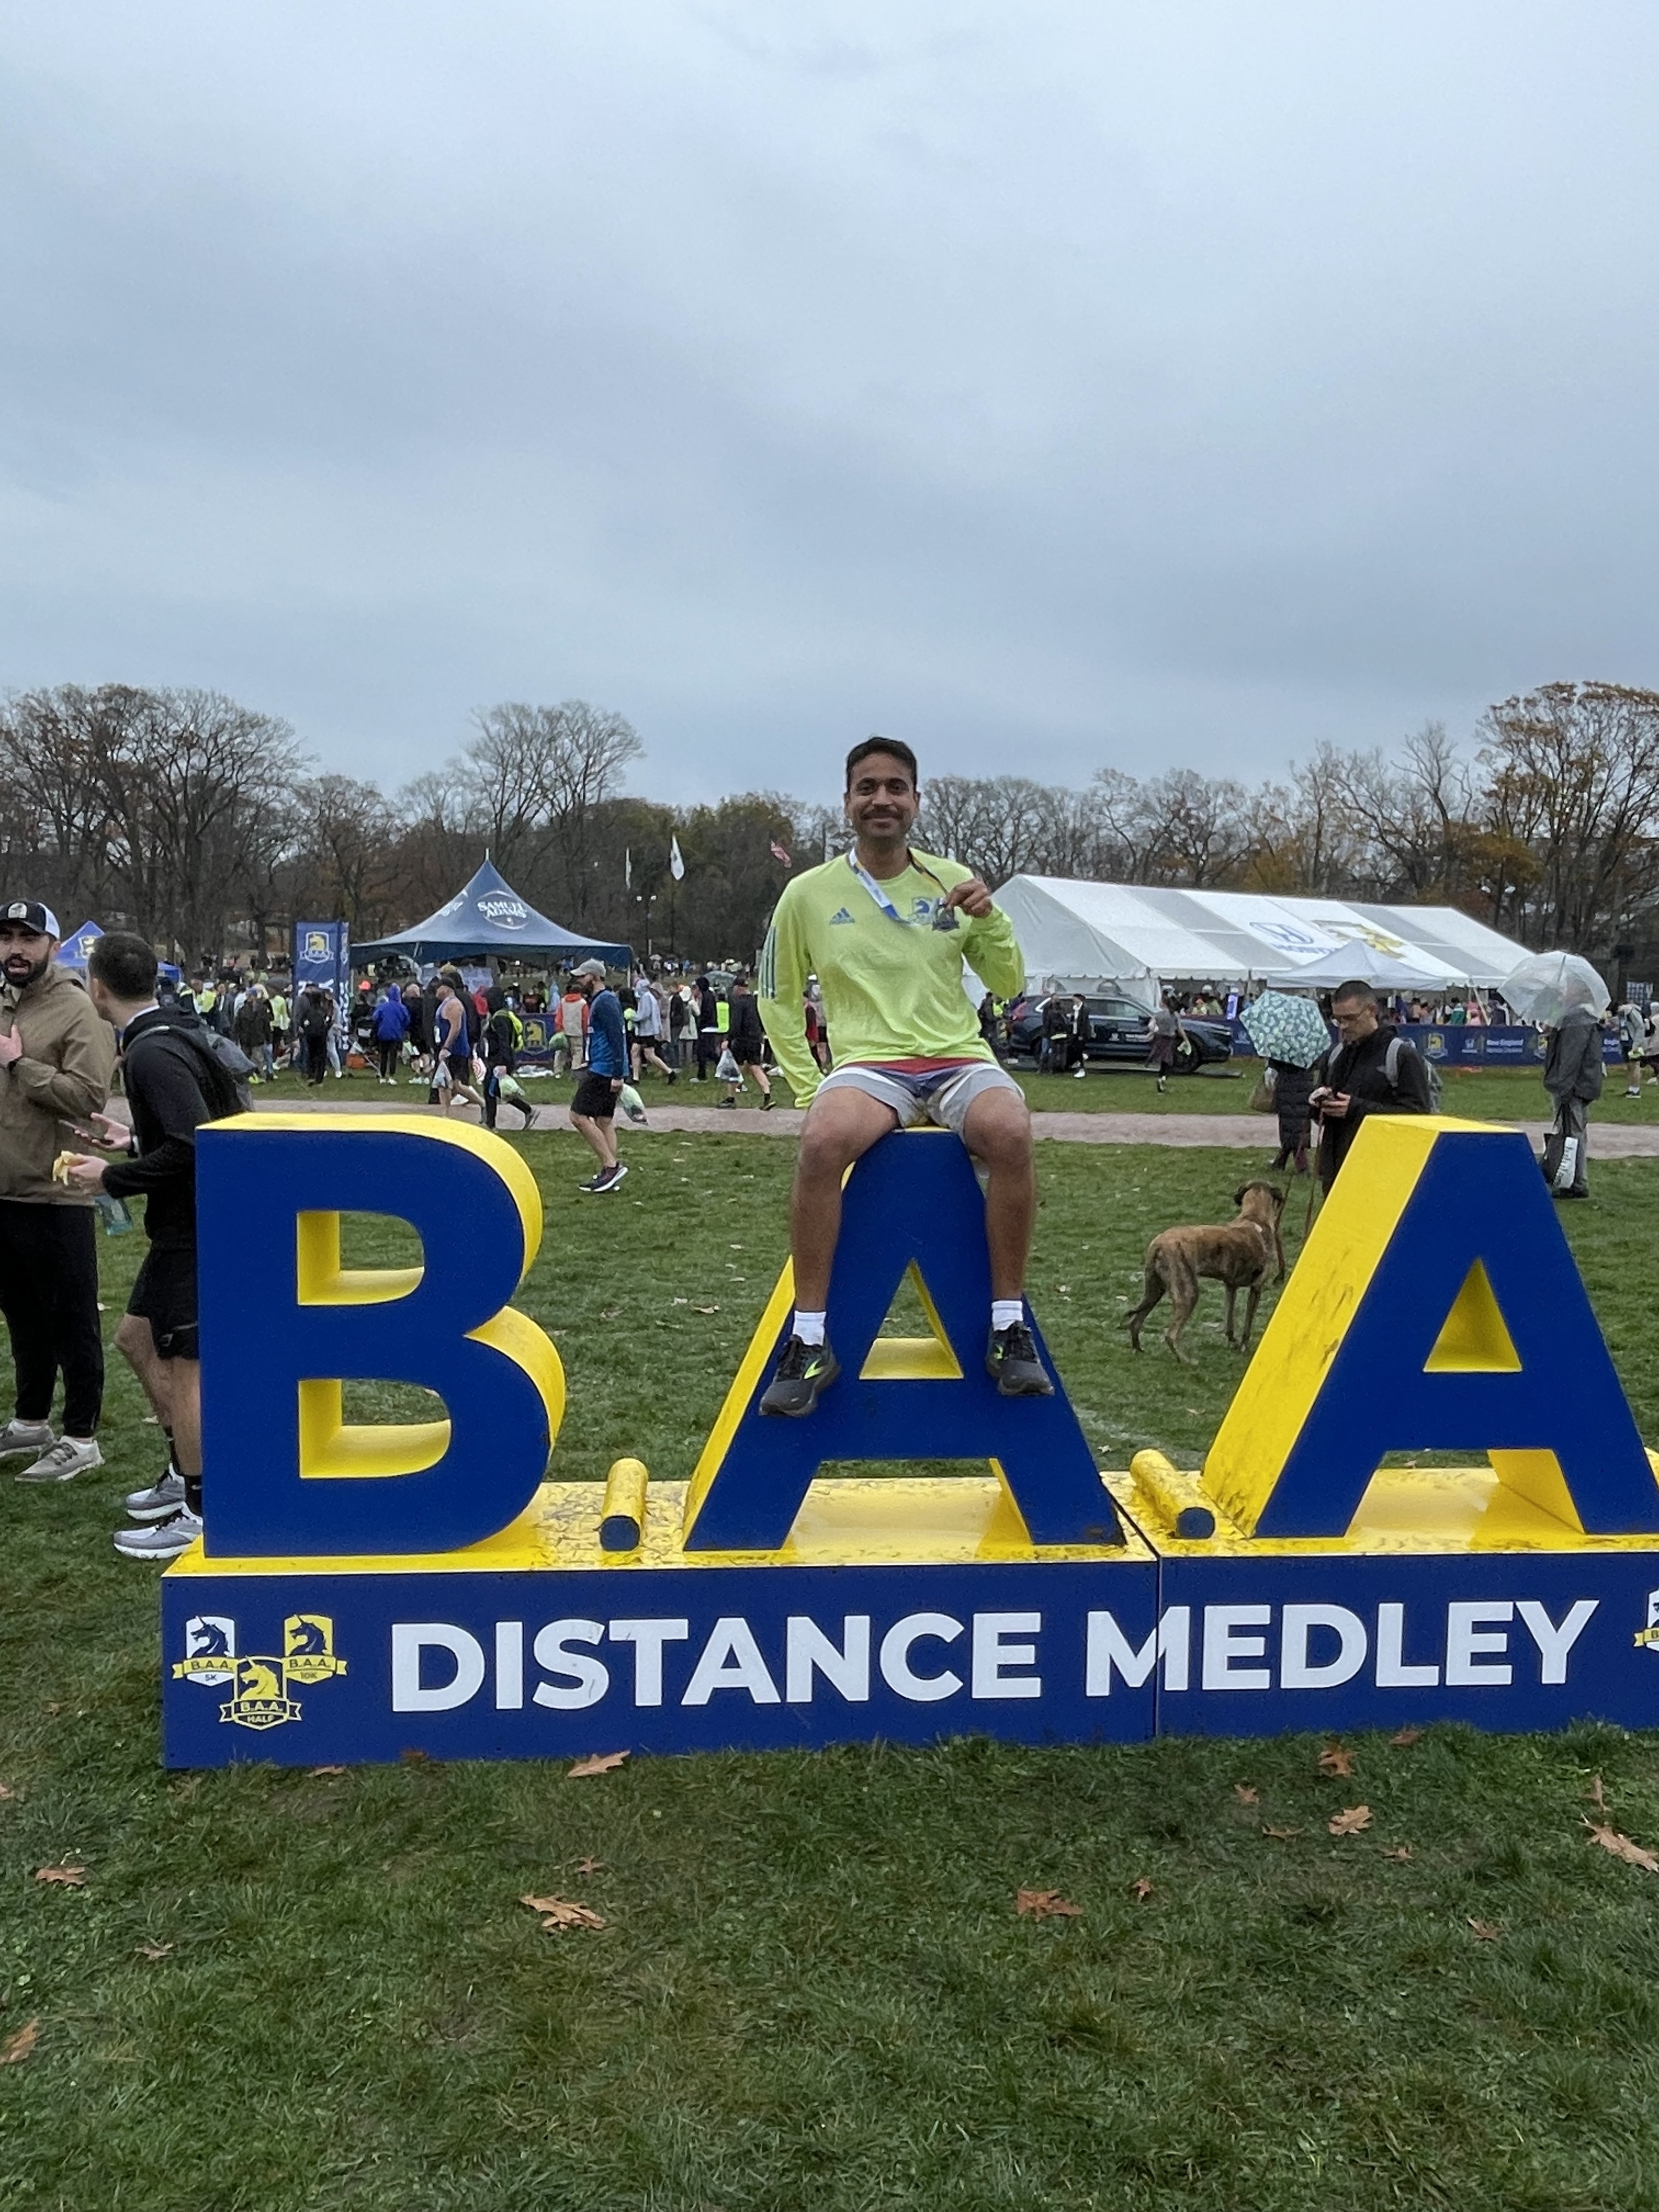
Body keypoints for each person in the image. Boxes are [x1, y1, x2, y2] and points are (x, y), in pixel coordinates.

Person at [754, 735, 1050, 1416]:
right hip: (869, 1066)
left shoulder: (953, 879)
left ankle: (1008, 1326)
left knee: (1010, 1130)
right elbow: (776, 992)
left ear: (916, 801)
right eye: (868, 788)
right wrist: (808, 1085)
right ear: (848, 803)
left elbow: (1008, 984)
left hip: (957, 1057)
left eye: (895, 787)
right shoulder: (807, 893)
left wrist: (992, 918)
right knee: (823, 1143)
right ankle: (809, 1338)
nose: (881, 799)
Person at [63, 930, 223, 1559]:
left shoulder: (153, 1053)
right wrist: (128, 1142)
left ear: (97, 988)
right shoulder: (171, 1033)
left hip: (193, 1228)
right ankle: (184, 1474)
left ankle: (203, 1509)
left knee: (187, 1369)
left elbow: (193, 1147)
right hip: (187, 1224)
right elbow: (188, 1133)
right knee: (134, 1339)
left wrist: (113, 1178)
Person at [0, 899, 118, 1483]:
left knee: (71, 1317)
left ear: (51, 945)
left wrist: (23, 1067)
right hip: (6, 1190)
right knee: (22, 1316)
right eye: (6, 938)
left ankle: (80, 1436)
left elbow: (89, 1095)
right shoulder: (4, 1003)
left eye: (27, 937)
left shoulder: (76, 1010)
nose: (15, 948)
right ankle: (31, 1420)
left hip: (57, 1191)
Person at [1308, 981, 1432, 1190]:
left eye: (1350, 1018)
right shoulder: (1335, 1055)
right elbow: (1325, 1114)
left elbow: (1418, 1116)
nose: (1344, 1026)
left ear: (1372, 1011)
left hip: (1382, 1174)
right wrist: (1318, 1105)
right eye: (1338, 1020)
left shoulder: (1401, 1055)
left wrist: (1356, 1108)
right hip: (1336, 1171)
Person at [568, 960, 628, 1192]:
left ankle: (611, 1166)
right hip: (602, 1066)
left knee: (577, 1116)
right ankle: (610, 1174)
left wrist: (617, 1073)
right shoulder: (601, 1002)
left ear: (594, 977)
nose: (579, 981)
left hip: (604, 1071)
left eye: (582, 977)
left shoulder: (605, 1002)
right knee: (603, 1121)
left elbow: (617, 1037)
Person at [1542, 998, 1605, 1200]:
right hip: (1579, 1084)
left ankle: (1574, 1182)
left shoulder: (1577, 1020)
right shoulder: (1579, 1019)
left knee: (1572, 1133)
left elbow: (1570, 1058)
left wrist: (1563, 1088)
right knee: (1575, 1131)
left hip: (1573, 1086)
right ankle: (1575, 1180)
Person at [432, 974, 484, 1119]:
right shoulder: (446, 1004)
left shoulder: (454, 1004)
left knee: (452, 1084)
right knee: (448, 1083)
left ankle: (481, 1104)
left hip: (455, 1050)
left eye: (439, 987)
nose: (436, 991)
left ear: (446, 988)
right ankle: (447, 1113)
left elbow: (456, 1028)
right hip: (448, 1049)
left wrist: (446, 1047)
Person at [720, 973, 773, 1108]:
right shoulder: (756, 1002)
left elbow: (736, 1024)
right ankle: (767, 1095)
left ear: (738, 988)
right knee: (755, 1067)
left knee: (735, 1068)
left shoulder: (739, 1003)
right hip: (756, 1039)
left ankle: (731, 1099)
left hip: (742, 1040)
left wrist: (729, 1039)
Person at [1267, 1057, 1316, 1177]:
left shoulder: (1282, 1052)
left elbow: (1274, 1065)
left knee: (1290, 1127)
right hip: (1305, 1088)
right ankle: (1280, 1161)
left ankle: (1301, 1166)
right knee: (1299, 1125)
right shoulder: (1308, 1049)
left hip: (1286, 1087)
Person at [630, 973, 675, 1083]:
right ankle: (635, 1077)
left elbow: (645, 1014)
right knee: (636, 1051)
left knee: (649, 1054)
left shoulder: (646, 997)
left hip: (646, 1031)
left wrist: (634, 1018)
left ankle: (669, 1072)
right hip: (646, 1030)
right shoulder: (650, 997)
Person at [295, 983, 334, 1086]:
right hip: (321, 1036)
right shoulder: (323, 1012)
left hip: (310, 1036)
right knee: (321, 1057)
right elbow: (328, 1022)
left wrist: (304, 1029)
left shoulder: (308, 1011)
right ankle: (319, 1078)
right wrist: (325, 1029)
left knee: (311, 1056)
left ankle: (311, 1075)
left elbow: (303, 1022)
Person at [371, 983, 410, 1084]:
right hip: (396, 1034)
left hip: (383, 1033)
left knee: (383, 1055)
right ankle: (392, 1076)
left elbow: (375, 1017)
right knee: (393, 1055)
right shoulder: (402, 1008)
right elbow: (407, 1020)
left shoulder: (383, 1006)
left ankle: (382, 1076)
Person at [234, 984, 273, 1081]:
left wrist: (268, 1038)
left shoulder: (262, 1009)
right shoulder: (242, 1010)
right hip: (245, 1038)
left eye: (250, 995)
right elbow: (237, 1025)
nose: (248, 997)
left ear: (255, 996)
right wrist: (236, 1036)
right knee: (245, 1058)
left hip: (258, 1037)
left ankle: (262, 1076)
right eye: (247, 995)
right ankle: (247, 1077)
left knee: (259, 1058)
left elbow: (266, 1024)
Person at [1146, 995, 1184, 1093]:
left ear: (1163, 1003)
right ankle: (1162, 1079)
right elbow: (1179, 1029)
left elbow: (1151, 1026)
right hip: (1170, 1040)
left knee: (1163, 1060)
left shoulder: (1158, 1015)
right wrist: (1186, 1040)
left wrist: (1154, 1031)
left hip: (1160, 1039)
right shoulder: (1175, 1015)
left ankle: (1160, 1079)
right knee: (1170, 1061)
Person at [554, 979, 588, 1078]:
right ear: (580, 992)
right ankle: (575, 1071)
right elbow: (585, 1019)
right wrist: (585, 1031)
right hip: (577, 1031)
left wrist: (559, 1028)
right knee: (577, 1052)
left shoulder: (563, 1001)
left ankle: (558, 1072)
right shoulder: (583, 1003)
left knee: (561, 1051)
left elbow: (559, 1016)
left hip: (564, 1030)